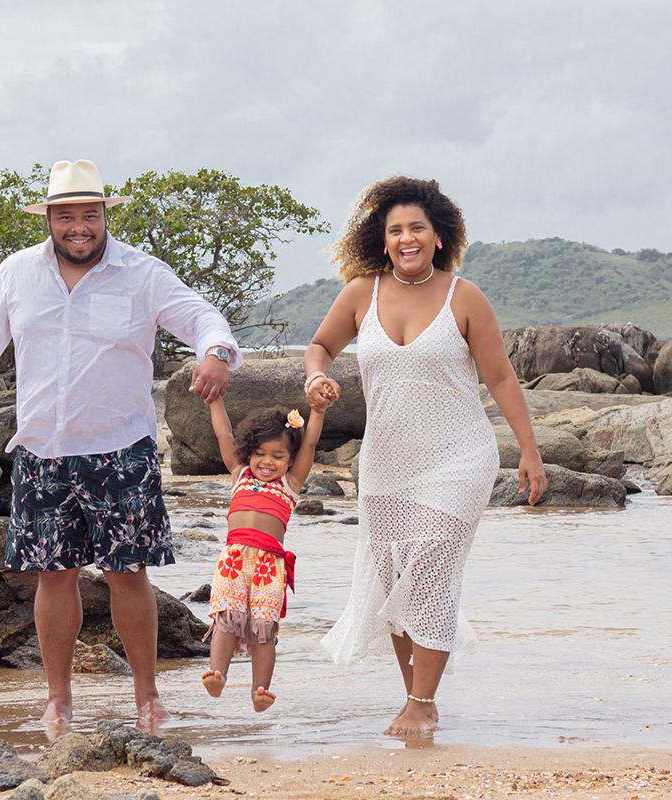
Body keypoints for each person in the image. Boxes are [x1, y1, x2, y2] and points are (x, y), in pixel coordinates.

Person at [0, 159, 242, 727]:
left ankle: (147, 697)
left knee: (129, 573)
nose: (79, 227)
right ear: (49, 218)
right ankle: (58, 701)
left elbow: (199, 315)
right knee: (53, 575)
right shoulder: (18, 272)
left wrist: (215, 351)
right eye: (66, 216)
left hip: (121, 448)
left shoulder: (141, 273)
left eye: (89, 215)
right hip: (42, 450)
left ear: (103, 217)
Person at [303, 176, 546, 735]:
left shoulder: (465, 297)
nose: (406, 237)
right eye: (395, 230)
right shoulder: (362, 291)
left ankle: (421, 704)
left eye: (417, 228)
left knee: (433, 565)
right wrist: (317, 375)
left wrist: (529, 452)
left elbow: (502, 378)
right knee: (394, 578)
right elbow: (320, 346)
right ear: (382, 240)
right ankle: (417, 695)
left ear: (439, 237)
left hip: (458, 457)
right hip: (386, 463)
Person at [199, 398, 331, 711]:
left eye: (277, 455)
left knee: (264, 628)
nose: (266, 461)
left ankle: (260, 691)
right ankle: (217, 674)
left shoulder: (291, 483)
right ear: (249, 452)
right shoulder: (240, 473)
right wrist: (217, 400)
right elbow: (223, 435)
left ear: (290, 459)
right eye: (259, 453)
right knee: (225, 619)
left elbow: (310, 441)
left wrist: (319, 411)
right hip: (233, 560)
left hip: (269, 566)